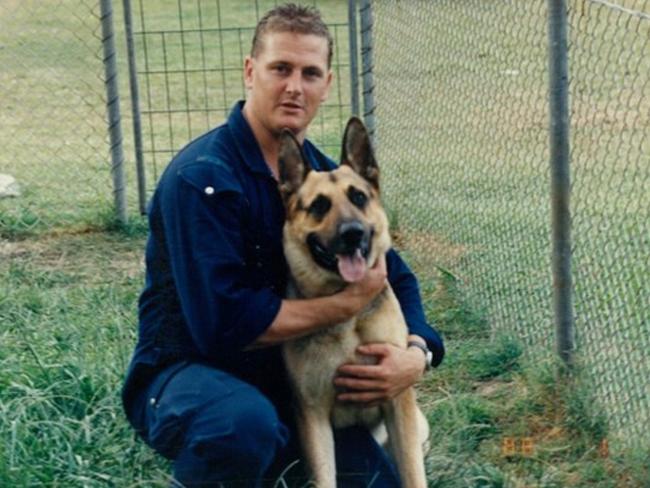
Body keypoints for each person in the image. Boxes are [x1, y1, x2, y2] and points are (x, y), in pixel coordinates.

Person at [121, 3, 444, 487]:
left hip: (284, 382)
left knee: (375, 480)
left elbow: (394, 274)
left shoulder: (321, 176)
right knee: (241, 427)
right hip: (188, 374)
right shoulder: (203, 179)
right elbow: (223, 325)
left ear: (327, 85)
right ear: (251, 72)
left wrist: (416, 354)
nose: (295, 86)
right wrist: (347, 304)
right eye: (281, 69)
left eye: (310, 73)